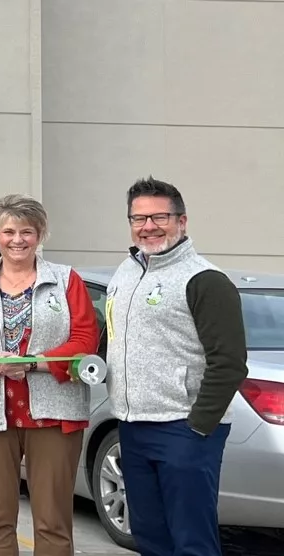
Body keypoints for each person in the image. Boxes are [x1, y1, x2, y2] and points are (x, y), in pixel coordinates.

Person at [105, 177, 248, 556]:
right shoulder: (126, 272)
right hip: (133, 427)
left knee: (192, 541)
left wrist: (199, 425)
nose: (147, 226)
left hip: (184, 430)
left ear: (182, 221)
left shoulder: (205, 280)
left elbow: (230, 362)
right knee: (150, 537)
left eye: (159, 217)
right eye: (138, 218)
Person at [0, 195, 99, 556]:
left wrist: (31, 363)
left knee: (52, 520)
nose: (18, 240)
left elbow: (84, 340)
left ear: (40, 234)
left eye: (27, 231)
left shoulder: (66, 280)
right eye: (9, 231)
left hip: (53, 413)